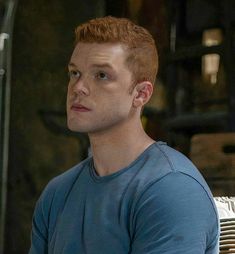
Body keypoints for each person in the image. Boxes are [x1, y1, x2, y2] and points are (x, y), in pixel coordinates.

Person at [29, 16, 219, 254]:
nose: (78, 88)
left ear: (141, 94)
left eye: (101, 75)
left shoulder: (171, 189)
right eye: (75, 73)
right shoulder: (57, 193)